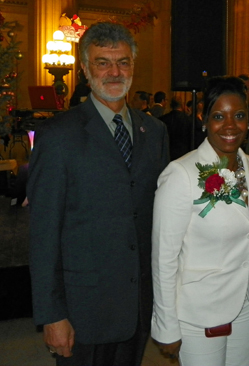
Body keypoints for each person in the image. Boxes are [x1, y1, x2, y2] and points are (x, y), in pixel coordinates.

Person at [27, 22, 170, 366]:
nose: (114, 72)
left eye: (122, 62)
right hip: (82, 310)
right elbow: (43, 233)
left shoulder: (155, 132)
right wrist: (51, 314)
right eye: (102, 62)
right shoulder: (58, 135)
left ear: (133, 66)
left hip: (137, 304)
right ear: (85, 69)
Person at [151, 76, 249, 366]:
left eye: (239, 116)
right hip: (196, 312)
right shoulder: (181, 174)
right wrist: (166, 325)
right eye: (219, 116)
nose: (230, 126)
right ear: (204, 119)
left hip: (243, 307)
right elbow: (164, 258)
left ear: (248, 120)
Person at [159, 96, 192, 160]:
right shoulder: (189, 120)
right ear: (182, 105)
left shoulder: (163, 119)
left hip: (168, 153)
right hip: (184, 154)